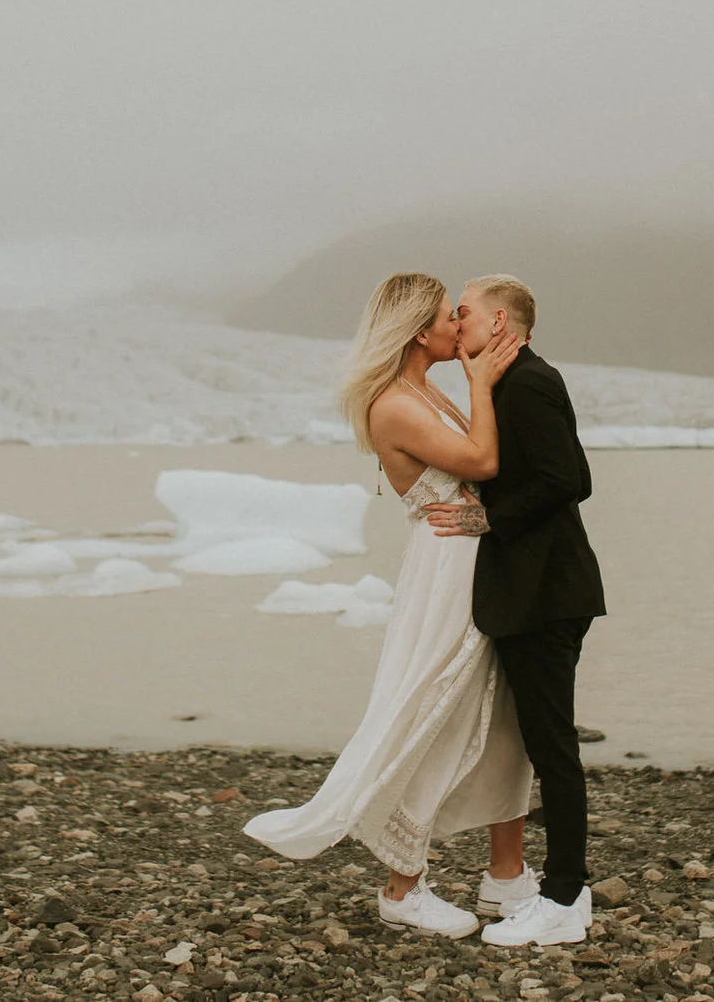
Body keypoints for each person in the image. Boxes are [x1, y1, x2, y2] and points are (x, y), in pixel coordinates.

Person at [242, 271, 537, 938]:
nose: (457, 325)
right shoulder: (394, 404)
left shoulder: (425, 390)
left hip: (473, 556)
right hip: (447, 567)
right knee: (431, 709)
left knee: (501, 715)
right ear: (417, 331)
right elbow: (482, 462)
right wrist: (482, 384)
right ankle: (403, 886)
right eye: (447, 315)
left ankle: (507, 874)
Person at [425, 274, 606, 948]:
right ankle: (555, 892)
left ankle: (563, 898)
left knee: (552, 746)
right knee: (542, 742)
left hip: (547, 593)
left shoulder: (529, 382)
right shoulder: (509, 382)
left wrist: (487, 519)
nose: (457, 322)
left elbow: (570, 478)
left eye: (465, 312)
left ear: (499, 321)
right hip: (534, 592)